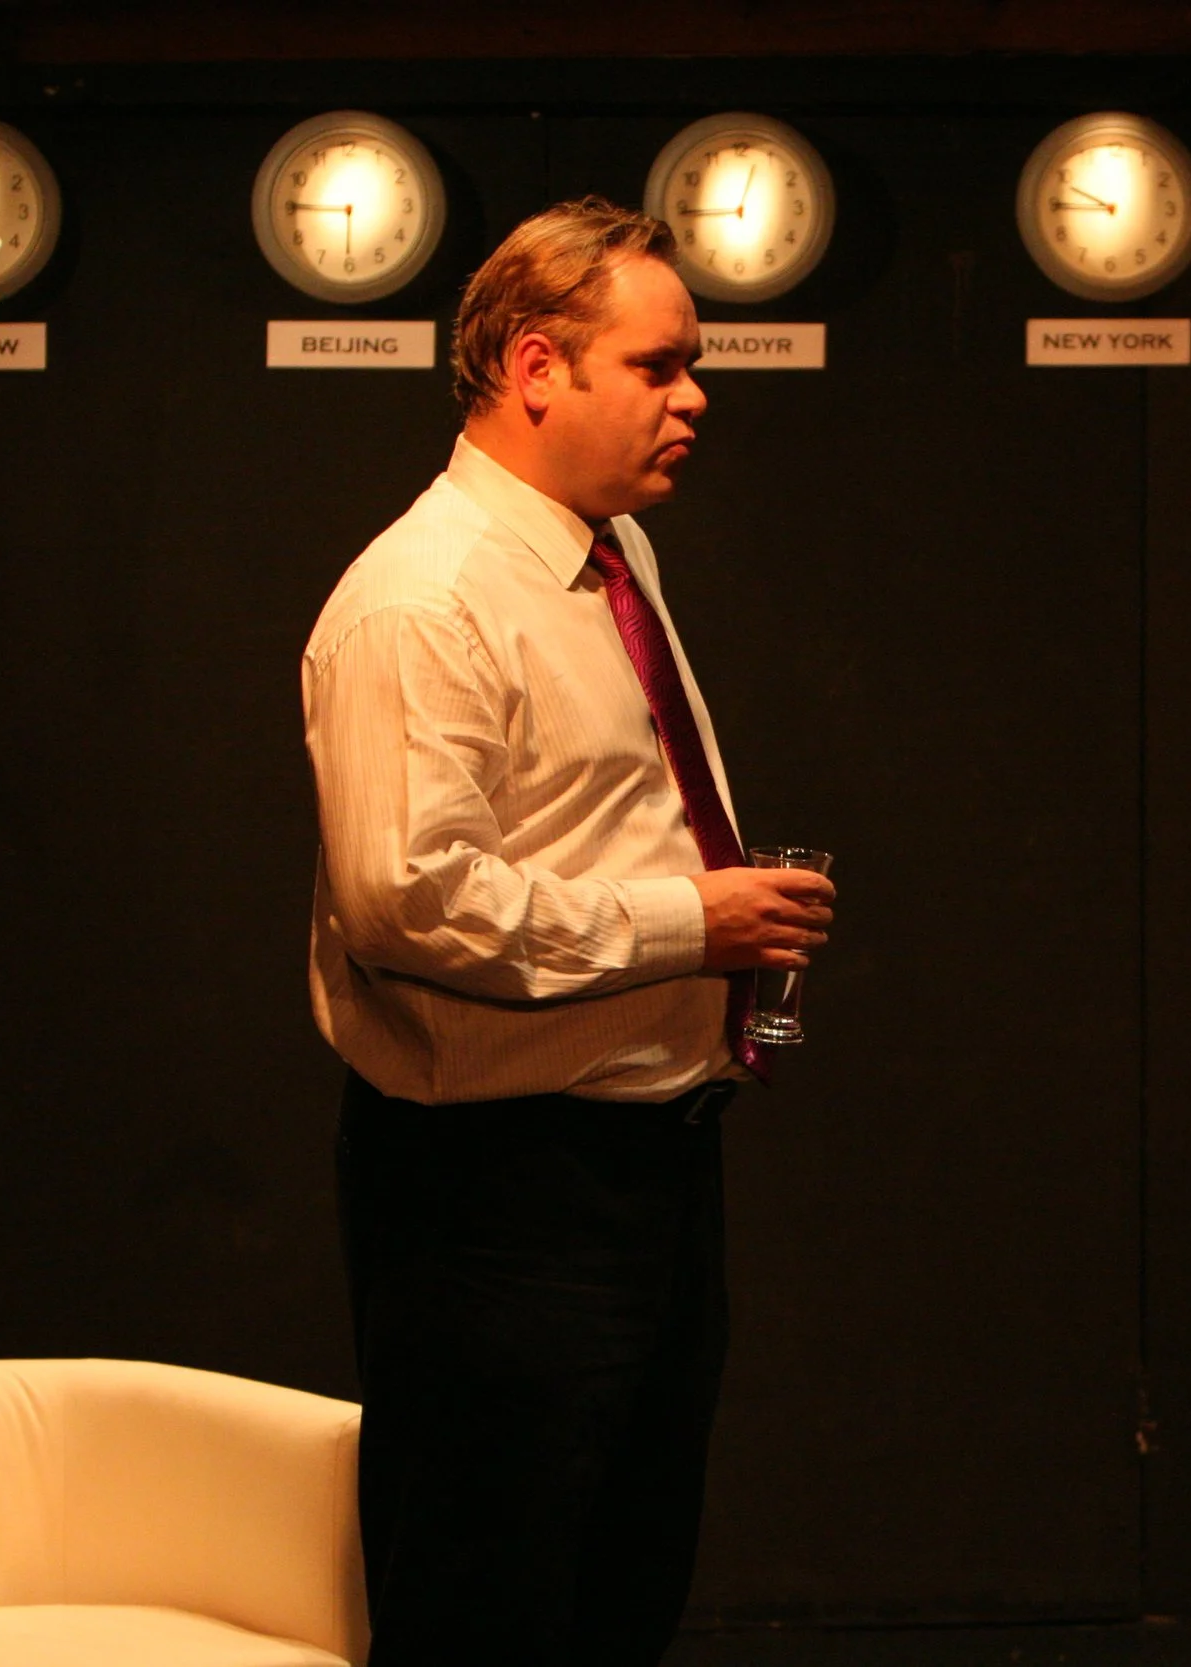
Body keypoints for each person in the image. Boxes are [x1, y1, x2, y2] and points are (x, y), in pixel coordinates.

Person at [301, 196, 836, 1666]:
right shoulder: (422, 600)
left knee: (619, 1582)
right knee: (485, 1594)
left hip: (650, 1154)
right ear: (538, 367)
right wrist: (691, 917)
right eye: (659, 366)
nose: (694, 396)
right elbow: (403, 898)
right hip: (498, 1188)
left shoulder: (610, 554)